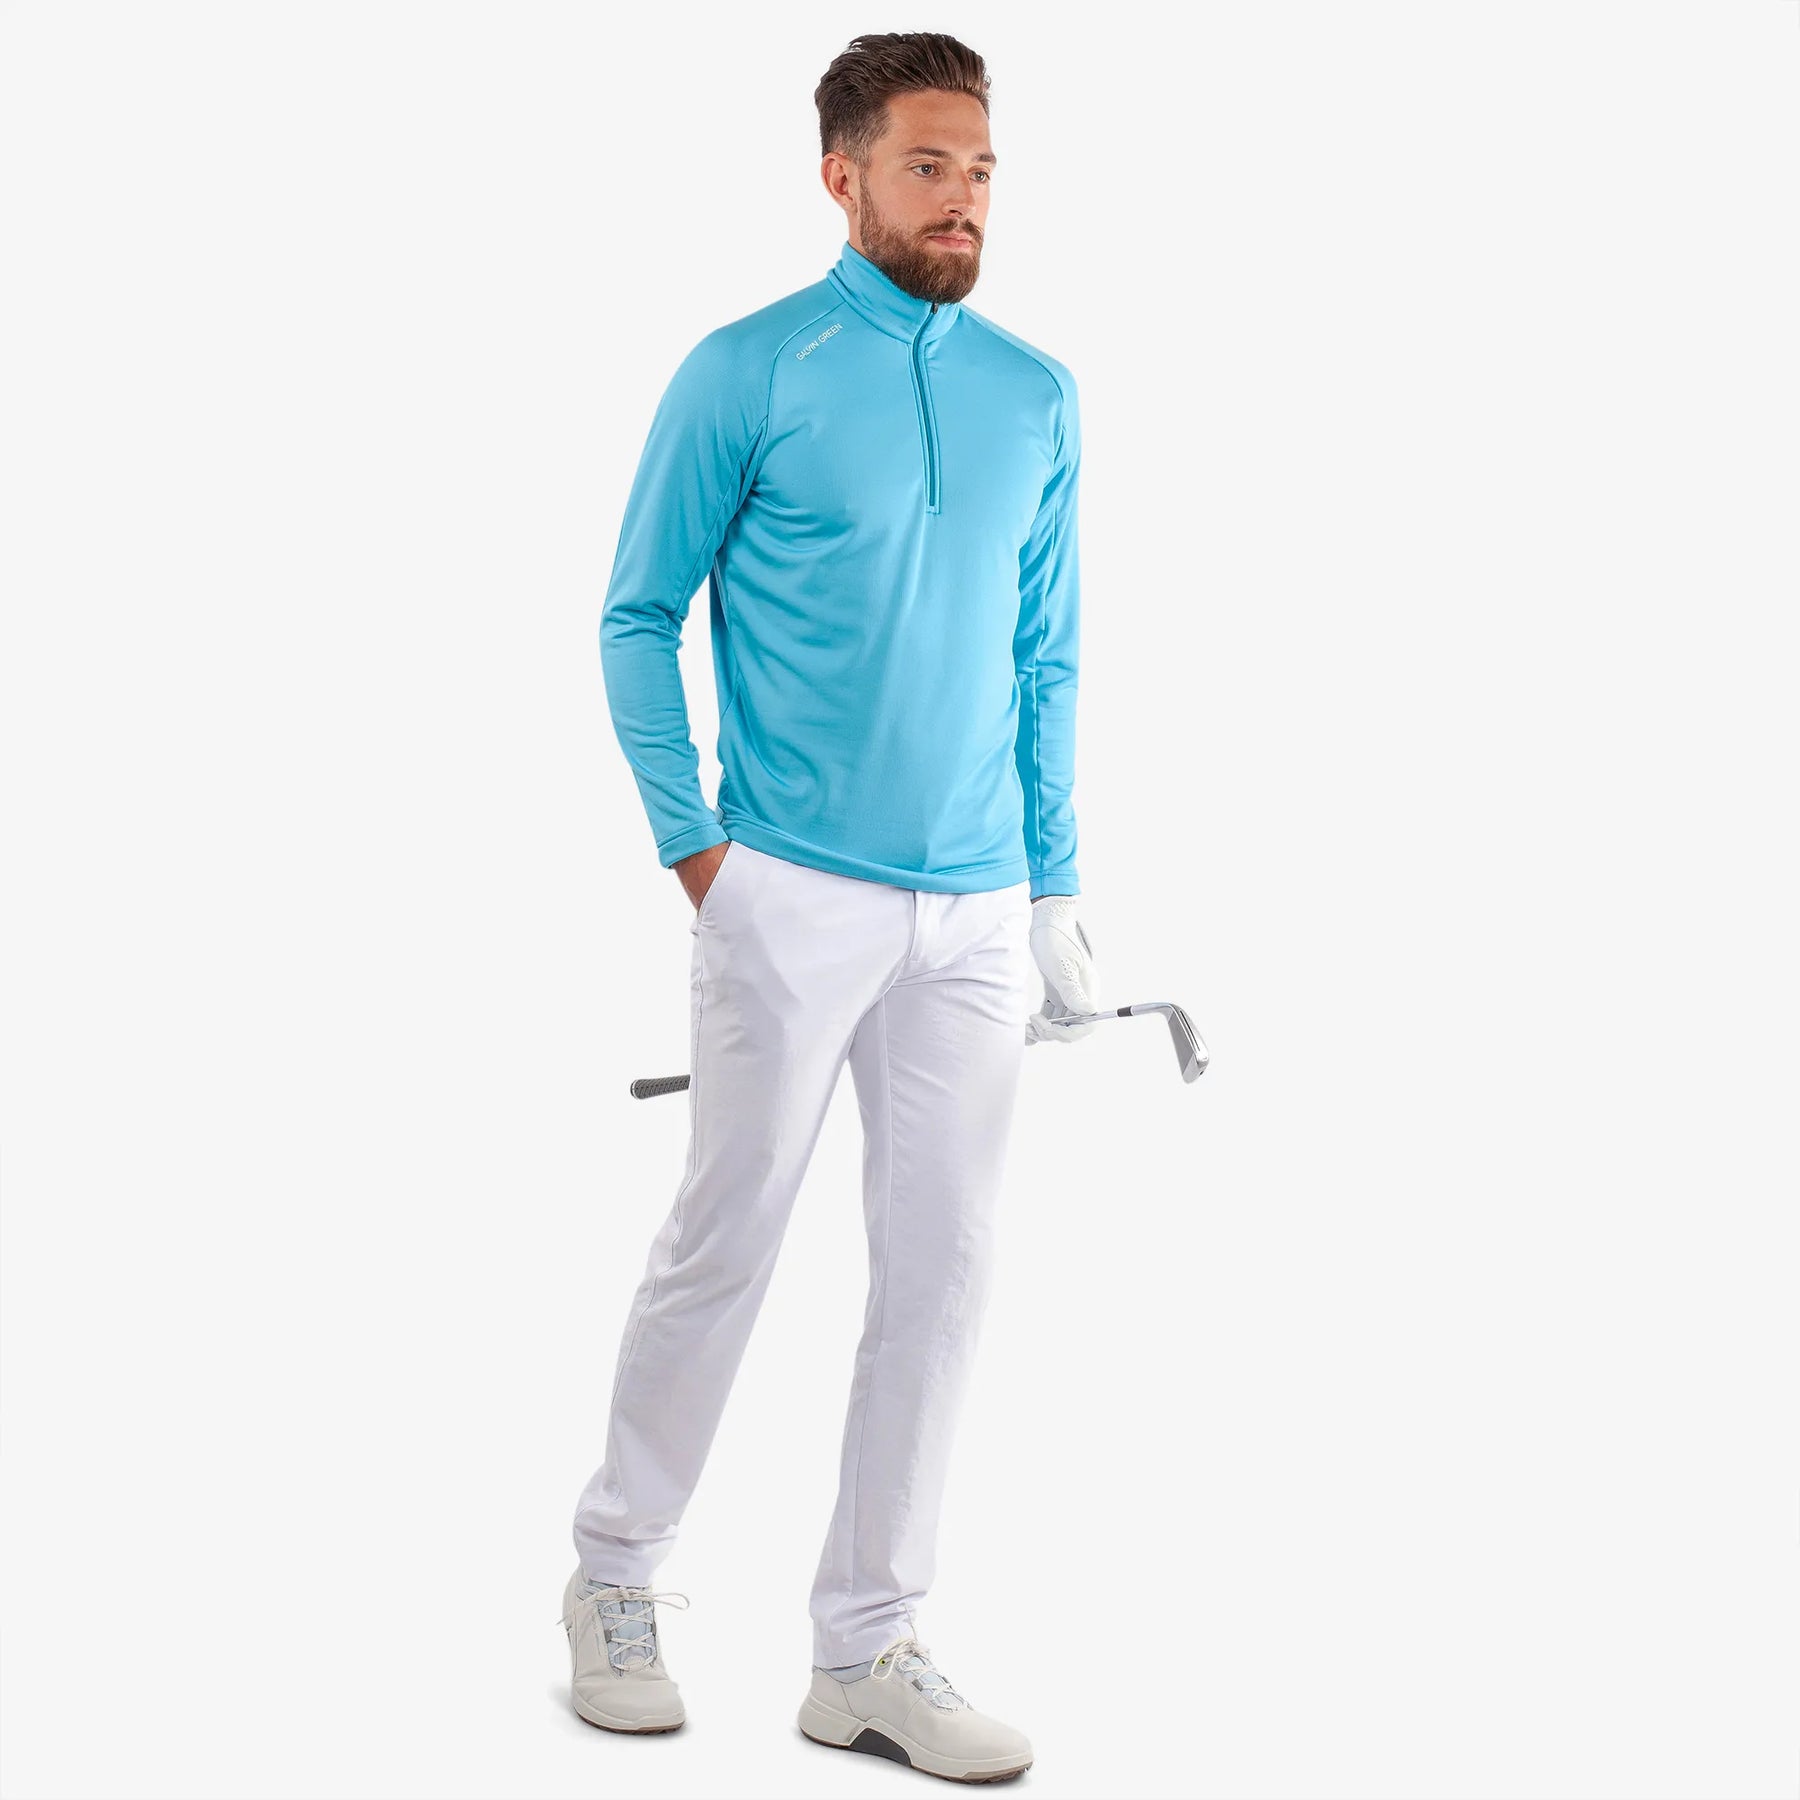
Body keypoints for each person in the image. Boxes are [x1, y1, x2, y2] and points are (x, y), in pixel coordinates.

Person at [561, 30, 1098, 1784]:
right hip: (788, 885)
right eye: (929, 165)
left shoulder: (1036, 393)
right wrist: (698, 851)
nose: (964, 200)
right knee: (727, 1240)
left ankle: (867, 1647)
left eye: (982, 169)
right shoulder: (750, 368)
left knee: (943, 1271)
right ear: (842, 175)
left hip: (978, 907)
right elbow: (637, 614)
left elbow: (1046, 656)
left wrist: (1056, 883)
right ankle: (614, 1577)